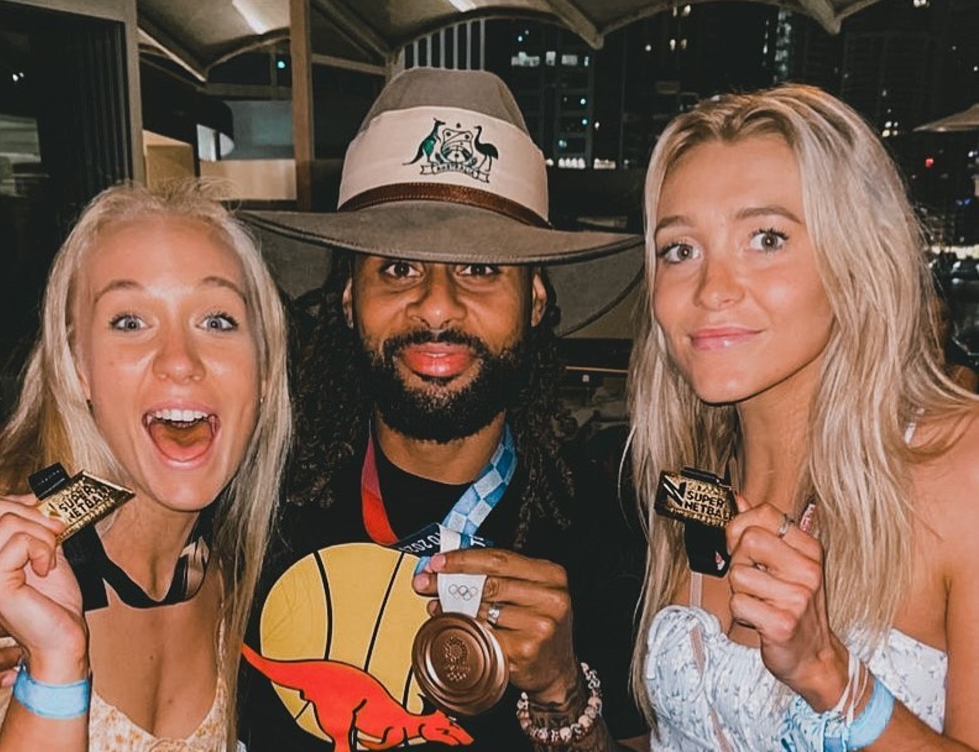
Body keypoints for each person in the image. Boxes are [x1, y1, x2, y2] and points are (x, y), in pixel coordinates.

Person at [235, 67, 647, 751]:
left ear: (536, 301)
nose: (435, 305)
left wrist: (561, 693)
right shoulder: (256, 503)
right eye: (397, 268)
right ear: (348, 297)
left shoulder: (607, 531)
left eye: (481, 269)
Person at [626, 84, 979, 750]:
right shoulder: (698, 482)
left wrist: (831, 675)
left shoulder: (963, 469)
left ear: (858, 258)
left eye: (766, 238)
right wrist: (563, 702)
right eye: (680, 249)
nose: (711, 288)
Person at [0, 180, 292, 750]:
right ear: (77, 366)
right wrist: (53, 669)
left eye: (217, 320)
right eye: (130, 322)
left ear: (263, 372)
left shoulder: (238, 581)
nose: (179, 362)